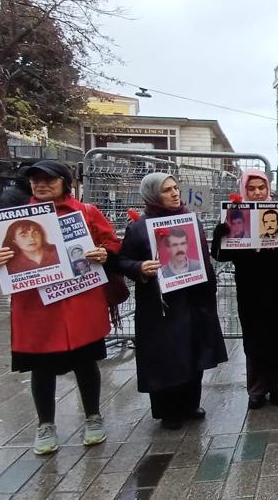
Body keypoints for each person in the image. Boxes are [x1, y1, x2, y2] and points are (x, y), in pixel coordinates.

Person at [0, 160, 119, 455]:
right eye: (35, 180)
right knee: (41, 367)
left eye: (49, 179)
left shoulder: (87, 212)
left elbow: (112, 244)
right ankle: (45, 424)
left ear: (65, 182)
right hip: (37, 308)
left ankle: (93, 416)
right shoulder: (11, 220)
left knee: (85, 361)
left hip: (80, 302)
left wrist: (104, 253)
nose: (41, 185)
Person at [117, 172, 228, 430]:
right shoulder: (139, 227)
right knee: (166, 355)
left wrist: (208, 288)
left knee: (193, 350)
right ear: (153, 194)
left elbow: (201, 256)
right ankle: (168, 409)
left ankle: (190, 403)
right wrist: (140, 267)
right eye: (167, 190)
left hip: (193, 299)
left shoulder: (191, 220)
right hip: (160, 305)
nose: (175, 193)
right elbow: (122, 261)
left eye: (176, 188)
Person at [211, 169, 278, 410]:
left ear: (268, 187)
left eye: (261, 187)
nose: (257, 192)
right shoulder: (235, 215)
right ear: (245, 190)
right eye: (251, 188)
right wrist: (219, 237)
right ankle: (256, 390)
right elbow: (221, 256)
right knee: (255, 340)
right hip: (250, 288)